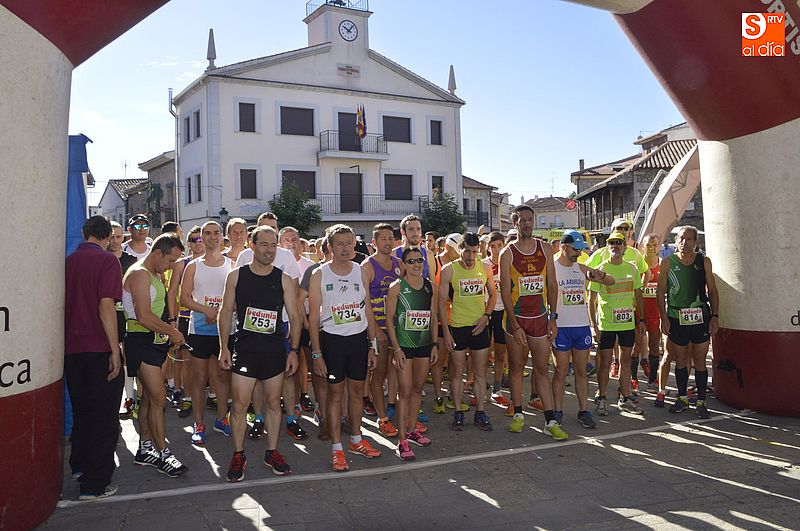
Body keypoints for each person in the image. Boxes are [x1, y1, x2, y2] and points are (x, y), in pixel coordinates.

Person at [219, 226, 301, 481]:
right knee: (241, 404)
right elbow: (225, 312)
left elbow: (296, 318)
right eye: (264, 245)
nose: (269, 250)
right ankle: (239, 453)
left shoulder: (283, 279)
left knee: (273, 403)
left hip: (273, 350)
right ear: (252, 246)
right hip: (244, 349)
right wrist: (223, 347)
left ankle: (272, 451)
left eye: (273, 245)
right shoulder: (236, 276)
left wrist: (294, 351)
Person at [308, 224, 381, 472]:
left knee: (358, 391)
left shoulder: (361, 271)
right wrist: (316, 353)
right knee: (335, 394)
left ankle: (356, 440)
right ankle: (337, 448)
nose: (345, 248)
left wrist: (372, 345)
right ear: (329, 246)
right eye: (339, 243)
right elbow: (314, 319)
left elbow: (367, 309)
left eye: (349, 243)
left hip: (358, 340)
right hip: (332, 341)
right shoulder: (320, 274)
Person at [65, 215, 125, 500]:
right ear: (107, 237)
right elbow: (106, 305)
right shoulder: (107, 261)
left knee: (83, 411)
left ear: (83, 232)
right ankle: (95, 483)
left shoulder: (68, 262)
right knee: (104, 417)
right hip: (98, 347)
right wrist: (114, 348)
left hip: (71, 349)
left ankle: (80, 466)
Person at [123, 233, 188, 477]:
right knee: (159, 399)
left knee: (150, 399)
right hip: (141, 341)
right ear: (157, 253)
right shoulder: (139, 274)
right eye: (170, 261)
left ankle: (145, 448)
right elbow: (143, 316)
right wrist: (172, 331)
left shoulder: (153, 273)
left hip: (154, 340)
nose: (172, 266)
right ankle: (163, 453)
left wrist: (166, 333)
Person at [236, 213, 306, 441]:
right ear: (254, 238)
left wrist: (291, 325)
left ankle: (291, 418)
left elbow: (293, 292)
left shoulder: (286, 255)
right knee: (255, 378)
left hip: (282, 323)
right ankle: (258, 418)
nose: (269, 246)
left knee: (286, 374)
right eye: (264, 231)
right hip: (250, 327)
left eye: (273, 230)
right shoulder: (245, 256)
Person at [500, 205, 566, 439]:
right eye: (522, 221)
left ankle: (550, 419)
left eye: (530, 220)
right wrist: (515, 325)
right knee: (517, 368)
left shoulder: (545, 248)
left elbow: (551, 285)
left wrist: (553, 317)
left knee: (541, 369)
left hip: (539, 318)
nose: (527, 224)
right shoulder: (507, 253)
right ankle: (518, 413)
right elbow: (505, 292)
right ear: (514, 224)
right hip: (515, 320)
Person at [552, 230, 614, 429]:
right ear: (563, 247)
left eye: (580, 249)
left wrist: (599, 275)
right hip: (561, 327)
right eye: (575, 249)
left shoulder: (581, 268)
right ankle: (557, 411)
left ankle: (583, 410)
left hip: (581, 327)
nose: (578, 252)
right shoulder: (551, 269)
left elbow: (610, 281)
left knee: (581, 371)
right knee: (561, 371)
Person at [179, 221, 234, 444]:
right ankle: (198, 423)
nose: (212, 237)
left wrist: (220, 312)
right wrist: (206, 310)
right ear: (201, 238)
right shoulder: (193, 266)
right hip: (200, 329)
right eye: (207, 234)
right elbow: (183, 298)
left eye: (216, 233)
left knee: (221, 376)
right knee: (199, 379)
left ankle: (222, 419)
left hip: (226, 329)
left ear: (222, 237)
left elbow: (238, 296)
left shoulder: (232, 265)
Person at [657, 226, 719, 418]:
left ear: (696, 242)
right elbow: (660, 291)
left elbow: (713, 291)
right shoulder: (668, 262)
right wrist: (664, 317)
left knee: (700, 360)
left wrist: (715, 316)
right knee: (681, 359)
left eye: (689, 239)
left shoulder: (704, 262)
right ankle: (682, 397)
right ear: (676, 241)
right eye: (681, 239)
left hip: (700, 317)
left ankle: (701, 401)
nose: (685, 243)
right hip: (677, 318)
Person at [439, 232, 497, 431]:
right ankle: (457, 412)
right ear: (459, 250)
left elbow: (493, 294)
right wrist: (446, 332)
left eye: (474, 252)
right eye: (467, 252)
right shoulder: (449, 270)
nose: (471, 256)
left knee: (480, 372)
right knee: (457, 373)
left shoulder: (485, 267)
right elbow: (440, 303)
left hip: (479, 326)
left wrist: (486, 316)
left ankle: (480, 412)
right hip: (457, 327)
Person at [386, 247, 438, 460]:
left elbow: (433, 317)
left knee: (417, 389)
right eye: (411, 261)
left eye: (420, 260)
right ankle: (402, 439)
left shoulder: (430, 287)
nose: (417, 264)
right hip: (404, 347)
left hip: (424, 345)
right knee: (404, 392)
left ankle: (412, 429)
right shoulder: (396, 287)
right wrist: (396, 348)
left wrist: (435, 344)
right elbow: (389, 320)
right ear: (404, 264)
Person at [588, 231, 646, 416]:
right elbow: (592, 299)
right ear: (607, 246)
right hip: (607, 324)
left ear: (625, 247)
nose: (615, 246)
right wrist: (594, 326)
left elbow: (638, 294)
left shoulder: (632, 268)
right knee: (605, 362)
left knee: (626, 361)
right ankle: (602, 397)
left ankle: (625, 397)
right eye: (611, 243)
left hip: (627, 323)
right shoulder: (601, 268)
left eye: (618, 243)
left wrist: (641, 320)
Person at [362, 223, 403, 438]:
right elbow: (364, 301)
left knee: (396, 371)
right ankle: (382, 418)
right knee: (378, 373)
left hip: (397, 328)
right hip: (377, 328)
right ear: (375, 242)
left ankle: (394, 407)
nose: (387, 242)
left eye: (390, 238)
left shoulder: (399, 264)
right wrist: (375, 328)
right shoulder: (367, 266)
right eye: (383, 239)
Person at [166, 225, 204, 418]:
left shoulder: (217, 261)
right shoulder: (183, 263)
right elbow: (172, 293)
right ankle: (187, 397)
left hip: (209, 317)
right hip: (186, 316)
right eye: (194, 240)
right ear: (188, 244)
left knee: (212, 361)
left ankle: (212, 395)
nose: (198, 243)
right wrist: (172, 320)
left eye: (201, 239)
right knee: (187, 361)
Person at [279, 226, 317, 414]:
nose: (291, 243)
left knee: (303, 358)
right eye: (287, 240)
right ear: (280, 244)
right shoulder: (277, 263)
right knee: (289, 359)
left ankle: (304, 395)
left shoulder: (310, 265)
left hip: (307, 317)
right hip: (286, 317)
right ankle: (288, 399)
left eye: (294, 239)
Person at [108, 221, 138, 419]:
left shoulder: (131, 259)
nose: (115, 241)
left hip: (127, 313)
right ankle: (112, 400)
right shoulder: (102, 259)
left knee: (128, 356)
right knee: (110, 356)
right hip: (108, 313)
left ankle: (130, 398)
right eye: (112, 236)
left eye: (119, 236)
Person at [431, 233, 463, 415]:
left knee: (455, 361)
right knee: (439, 361)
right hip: (440, 320)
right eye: (457, 251)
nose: (460, 255)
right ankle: (438, 396)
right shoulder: (434, 263)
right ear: (449, 248)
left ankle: (453, 395)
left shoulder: (460, 265)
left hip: (457, 320)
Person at [483, 232, 509, 407]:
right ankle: (478, 389)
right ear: (487, 248)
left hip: (504, 311)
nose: (496, 249)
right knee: (482, 355)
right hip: (485, 311)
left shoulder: (510, 263)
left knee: (500, 354)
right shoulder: (483, 264)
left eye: (499, 245)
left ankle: (496, 390)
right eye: (492, 246)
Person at [639, 234, 665, 398]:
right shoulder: (638, 264)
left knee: (655, 348)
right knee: (635, 348)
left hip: (656, 314)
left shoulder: (664, 265)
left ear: (659, 246)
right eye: (649, 245)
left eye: (655, 245)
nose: (652, 248)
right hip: (639, 313)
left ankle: (652, 380)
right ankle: (633, 381)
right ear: (643, 246)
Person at [394, 214, 435, 280]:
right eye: (411, 229)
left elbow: (433, 283)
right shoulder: (393, 254)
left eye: (418, 229)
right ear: (403, 232)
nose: (415, 233)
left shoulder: (428, 254)